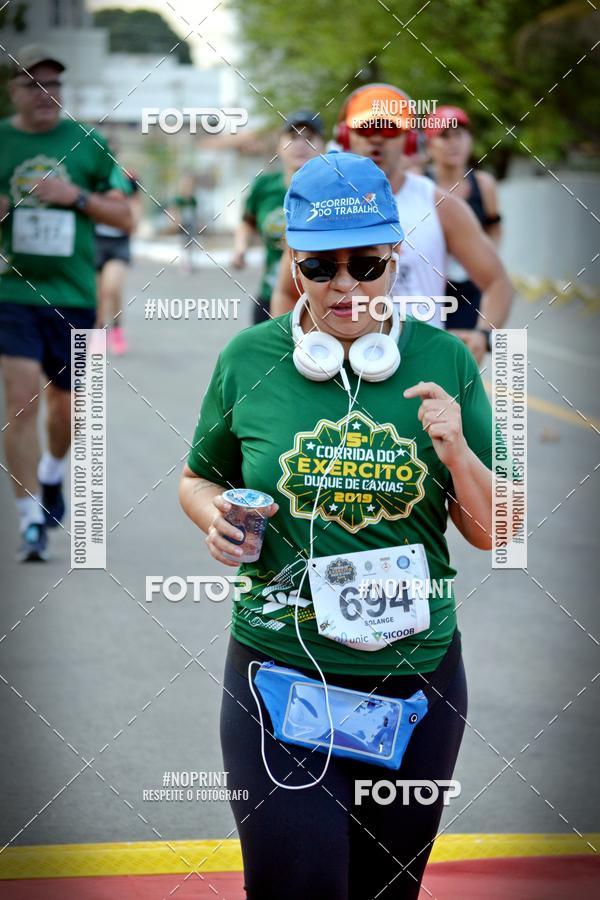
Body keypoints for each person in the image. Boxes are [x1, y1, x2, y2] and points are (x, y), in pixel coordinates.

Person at [180, 152, 496, 899]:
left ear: (396, 257)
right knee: (303, 886)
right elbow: (199, 476)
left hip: (415, 682)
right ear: (293, 264)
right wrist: (214, 516)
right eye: (322, 269)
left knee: (385, 892)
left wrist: (455, 451)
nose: (347, 288)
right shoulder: (248, 359)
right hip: (279, 676)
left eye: (367, 265)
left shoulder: (445, 361)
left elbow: (496, 527)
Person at [0, 45, 133, 561]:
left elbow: (125, 219)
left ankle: (52, 475)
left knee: (71, 410)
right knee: (20, 398)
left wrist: (74, 197)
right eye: (34, 85)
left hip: (73, 295)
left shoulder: (88, 144)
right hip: (11, 290)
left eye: (54, 85)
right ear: (14, 90)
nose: (46, 95)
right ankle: (30, 518)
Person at [271, 84, 512, 362]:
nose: (376, 139)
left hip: (423, 364)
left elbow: (497, 281)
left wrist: (482, 334)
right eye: (365, 129)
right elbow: (286, 291)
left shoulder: (439, 205)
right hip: (337, 369)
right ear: (346, 137)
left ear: (409, 140)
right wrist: (295, 352)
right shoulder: (317, 204)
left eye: (388, 129)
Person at [231, 110, 325, 324]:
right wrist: (240, 248)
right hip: (271, 294)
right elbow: (247, 222)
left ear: (323, 146)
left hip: (319, 304)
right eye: (292, 138)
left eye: (309, 138)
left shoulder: (334, 190)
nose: (300, 145)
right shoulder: (265, 186)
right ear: (279, 146)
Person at [425, 105, 503, 330]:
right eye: (444, 136)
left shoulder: (484, 184)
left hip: (470, 286)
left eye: (459, 134)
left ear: (469, 139)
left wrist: (484, 258)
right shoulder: (421, 184)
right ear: (430, 145)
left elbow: (494, 228)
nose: (453, 143)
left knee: (467, 354)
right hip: (431, 286)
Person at [95, 166, 142, 354]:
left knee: (111, 288)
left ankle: (116, 328)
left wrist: (129, 215)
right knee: (99, 294)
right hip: (97, 242)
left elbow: (136, 216)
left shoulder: (127, 180)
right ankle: (99, 333)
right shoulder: (97, 178)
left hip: (119, 244)